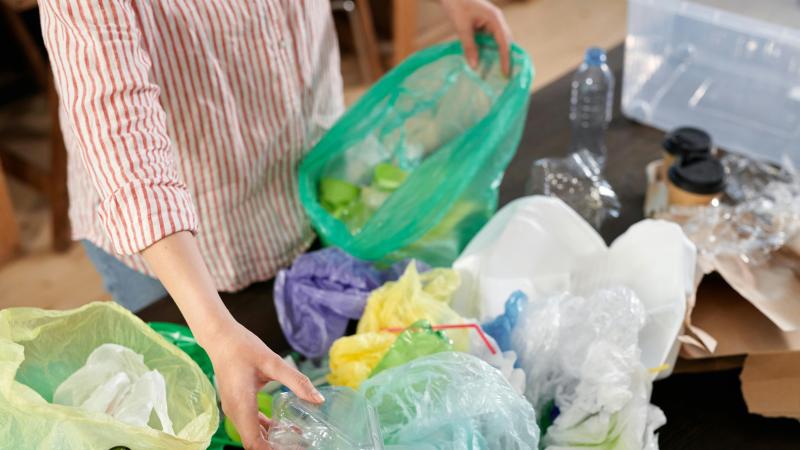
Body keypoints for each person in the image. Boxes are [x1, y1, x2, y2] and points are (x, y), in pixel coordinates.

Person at [38, 0, 513, 448]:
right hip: (183, 244)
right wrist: (218, 332)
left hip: (304, 159)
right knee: (190, 398)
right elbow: (119, 123)